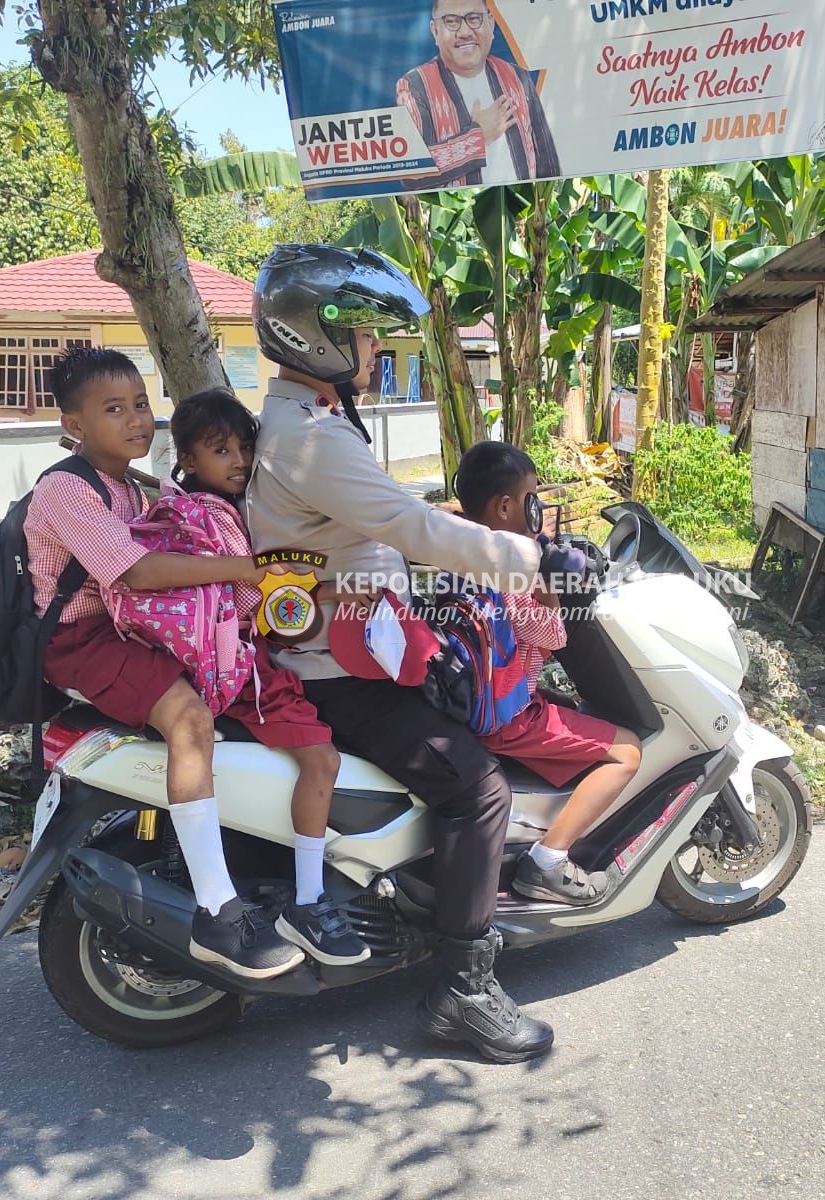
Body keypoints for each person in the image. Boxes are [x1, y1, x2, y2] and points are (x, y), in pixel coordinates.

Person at [245, 244, 587, 1064]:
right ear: (315, 337)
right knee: (478, 788)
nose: (372, 348)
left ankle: (423, 894)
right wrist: (536, 557)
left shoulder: (307, 422)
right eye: (361, 333)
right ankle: (463, 991)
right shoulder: (310, 435)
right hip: (338, 671)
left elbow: (388, 514)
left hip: (351, 647)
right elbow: (412, 529)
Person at [25, 347, 302, 982]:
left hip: (126, 625)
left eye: (141, 405)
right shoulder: (66, 490)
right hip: (84, 639)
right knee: (189, 719)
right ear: (73, 423)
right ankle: (217, 910)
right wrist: (250, 570)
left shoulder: (127, 486)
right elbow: (138, 573)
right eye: (113, 409)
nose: (135, 421)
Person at [169, 387, 367, 967]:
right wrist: (342, 589)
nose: (237, 460)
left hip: (229, 660)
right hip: (240, 670)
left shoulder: (222, 511)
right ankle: (309, 899)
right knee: (322, 758)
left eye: (245, 447)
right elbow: (261, 602)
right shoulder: (215, 519)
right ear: (187, 460)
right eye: (219, 450)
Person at [452, 441, 643, 905]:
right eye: (530, 500)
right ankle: (548, 861)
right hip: (509, 713)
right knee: (629, 753)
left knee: (572, 708)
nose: (537, 509)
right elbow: (554, 635)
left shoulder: (458, 544)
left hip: (479, 696)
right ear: (504, 507)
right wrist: (552, 590)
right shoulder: (510, 567)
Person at [396, 0, 560, 189]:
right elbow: (412, 171)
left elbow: (548, 166)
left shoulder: (517, 78)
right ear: (435, 31)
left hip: (526, 215)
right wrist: (477, 137)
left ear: (490, 23)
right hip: (465, 217)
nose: (465, 32)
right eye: (451, 21)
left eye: (474, 19)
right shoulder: (415, 86)